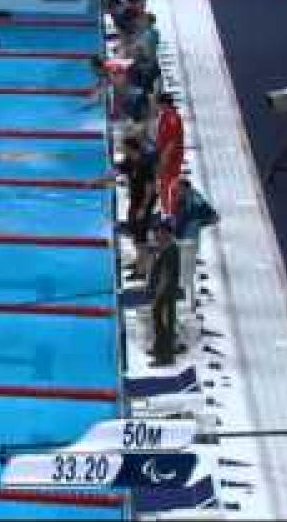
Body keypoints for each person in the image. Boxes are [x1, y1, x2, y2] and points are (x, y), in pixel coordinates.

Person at [110, 136, 158, 279]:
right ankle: (139, 262)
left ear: (131, 148)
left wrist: (143, 208)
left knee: (140, 237)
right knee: (134, 233)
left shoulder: (145, 163)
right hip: (135, 202)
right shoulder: (130, 161)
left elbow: (150, 188)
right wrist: (97, 182)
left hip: (144, 203)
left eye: (124, 148)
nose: (122, 150)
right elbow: (117, 171)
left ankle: (142, 270)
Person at [172, 179, 220, 305]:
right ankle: (183, 295)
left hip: (189, 241)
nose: (178, 191)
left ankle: (190, 303)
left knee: (186, 272)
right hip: (180, 238)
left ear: (186, 188)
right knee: (180, 268)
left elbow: (214, 217)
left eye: (180, 189)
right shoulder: (182, 199)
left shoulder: (195, 200)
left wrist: (197, 224)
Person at [147, 217, 184, 367]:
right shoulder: (166, 247)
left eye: (159, 232)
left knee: (164, 324)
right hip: (162, 293)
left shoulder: (170, 251)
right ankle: (159, 349)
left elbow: (165, 277)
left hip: (165, 295)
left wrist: (157, 296)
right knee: (159, 323)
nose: (156, 235)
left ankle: (165, 356)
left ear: (166, 233)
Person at [154, 93, 185, 216]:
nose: (158, 106)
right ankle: (167, 210)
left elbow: (172, 141)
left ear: (165, 104)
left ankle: (170, 212)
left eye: (159, 104)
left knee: (168, 184)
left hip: (171, 158)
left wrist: (163, 158)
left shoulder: (172, 118)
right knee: (164, 184)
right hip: (165, 155)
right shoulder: (165, 116)